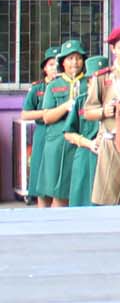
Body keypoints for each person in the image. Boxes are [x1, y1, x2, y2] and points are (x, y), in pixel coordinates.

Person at [82, 25, 120, 195]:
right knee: (109, 199)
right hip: (111, 142)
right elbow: (87, 112)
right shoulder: (102, 77)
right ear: (113, 49)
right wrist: (103, 111)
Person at [34, 41, 89, 207]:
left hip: (81, 143)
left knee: (78, 192)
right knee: (55, 192)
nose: (75, 62)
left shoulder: (90, 84)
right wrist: (66, 106)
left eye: (78, 58)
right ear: (63, 62)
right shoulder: (54, 86)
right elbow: (47, 117)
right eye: (70, 58)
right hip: (57, 145)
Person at [64, 55, 111, 208]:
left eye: (104, 79)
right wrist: (89, 143)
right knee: (82, 204)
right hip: (85, 158)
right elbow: (68, 133)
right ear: (89, 81)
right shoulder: (81, 101)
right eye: (96, 79)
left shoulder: (116, 100)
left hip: (109, 158)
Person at [20, 47, 60, 200]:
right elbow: (25, 114)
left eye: (57, 64)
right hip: (43, 132)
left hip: (61, 131)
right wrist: (46, 113)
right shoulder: (37, 88)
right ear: (44, 68)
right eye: (51, 64)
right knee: (40, 177)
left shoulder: (68, 86)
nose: (55, 68)